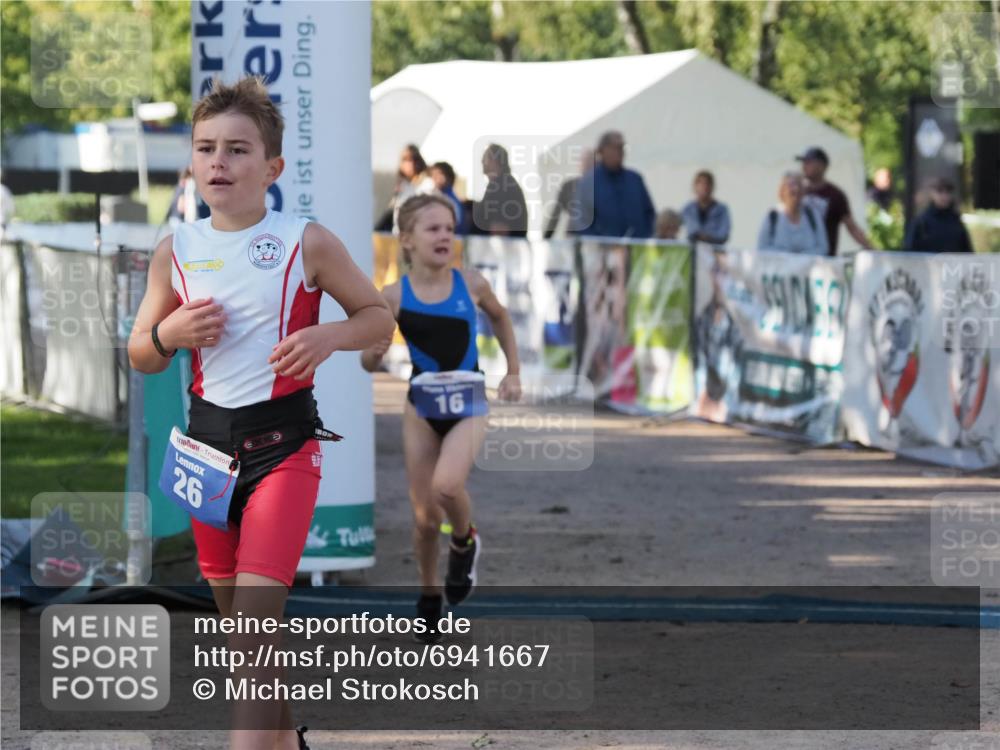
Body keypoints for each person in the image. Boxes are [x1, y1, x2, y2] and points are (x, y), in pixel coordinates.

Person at [127, 76, 395, 750]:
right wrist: (169, 336)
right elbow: (140, 353)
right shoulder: (175, 250)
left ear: (272, 168)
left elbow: (376, 317)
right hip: (205, 457)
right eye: (206, 148)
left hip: (284, 450)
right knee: (243, 634)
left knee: (251, 627)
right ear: (190, 161)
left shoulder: (307, 241)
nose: (220, 161)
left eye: (238, 149)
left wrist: (328, 336)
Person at [361, 194, 521, 642]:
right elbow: (366, 365)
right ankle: (430, 595)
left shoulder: (471, 284)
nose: (445, 236)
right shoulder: (391, 296)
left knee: (447, 486)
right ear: (407, 240)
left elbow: (502, 320)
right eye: (433, 229)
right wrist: (372, 356)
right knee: (424, 520)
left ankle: (466, 541)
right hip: (421, 407)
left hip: (470, 402)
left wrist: (513, 372)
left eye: (449, 228)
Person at [572, 130, 656, 238]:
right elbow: (581, 222)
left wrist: (643, 237)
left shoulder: (635, 180)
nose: (620, 152)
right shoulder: (588, 183)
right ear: (602, 151)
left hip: (636, 249)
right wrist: (605, 245)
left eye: (622, 147)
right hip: (602, 250)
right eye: (615, 147)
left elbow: (649, 214)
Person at [798, 146, 871, 255]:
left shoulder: (835, 195)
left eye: (808, 162)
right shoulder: (796, 192)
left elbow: (851, 226)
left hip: (824, 260)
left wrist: (871, 248)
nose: (804, 166)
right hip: (797, 259)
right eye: (803, 162)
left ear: (822, 166)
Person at [757, 172, 828, 256]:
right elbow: (762, 248)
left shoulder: (813, 215)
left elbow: (823, 248)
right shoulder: (772, 215)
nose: (796, 189)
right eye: (791, 185)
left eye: (800, 185)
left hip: (808, 268)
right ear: (782, 190)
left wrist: (800, 259)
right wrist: (788, 257)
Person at [375, 144, 436, 232]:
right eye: (405, 160)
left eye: (412, 160)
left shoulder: (427, 184)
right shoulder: (402, 185)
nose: (409, 164)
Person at [904, 177, 974, 253]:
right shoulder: (921, 222)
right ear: (932, 193)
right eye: (939, 191)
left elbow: (967, 252)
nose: (944, 196)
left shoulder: (956, 221)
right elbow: (910, 252)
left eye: (948, 191)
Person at [472, 143, 528, 237]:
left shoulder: (504, 187)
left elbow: (500, 230)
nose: (482, 161)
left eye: (485, 157)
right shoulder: (499, 185)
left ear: (495, 160)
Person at [543, 147, 595, 238]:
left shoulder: (601, 188)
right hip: (572, 236)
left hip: (594, 237)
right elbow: (555, 215)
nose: (587, 165)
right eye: (584, 162)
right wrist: (546, 237)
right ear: (579, 164)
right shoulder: (568, 186)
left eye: (590, 162)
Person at [681, 170, 731, 246]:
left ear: (712, 187)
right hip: (693, 252)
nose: (704, 187)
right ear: (695, 187)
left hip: (714, 252)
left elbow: (723, 235)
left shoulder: (722, 210)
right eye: (700, 183)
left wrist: (706, 237)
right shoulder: (687, 209)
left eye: (707, 184)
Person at [429, 161, 464, 233]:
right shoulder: (434, 196)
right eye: (433, 174)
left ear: (449, 177)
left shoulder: (451, 201)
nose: (435, 177)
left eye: (439, 174)